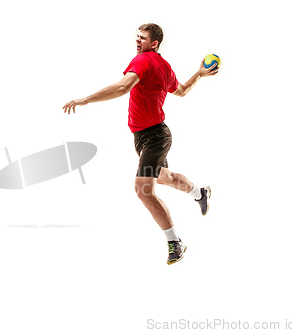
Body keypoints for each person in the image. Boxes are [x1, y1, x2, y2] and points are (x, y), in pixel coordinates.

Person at [63, 23, 218, 265]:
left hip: (155, 137)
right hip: (147, 136)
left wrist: (86, 100)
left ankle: (175, 242)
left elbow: (123, 86)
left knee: (143, 189)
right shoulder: (164, 67)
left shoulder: (144, 60)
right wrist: (198, 73)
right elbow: (183, 91)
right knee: (163, 177)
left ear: (154, 43)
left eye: (143, 38)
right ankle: (200, 193)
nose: (138, 41)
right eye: (137, 37)